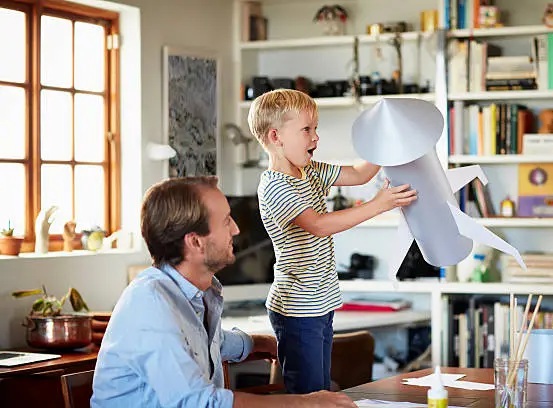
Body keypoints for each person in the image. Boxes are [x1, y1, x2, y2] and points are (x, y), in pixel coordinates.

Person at [91, 176, 357, 408]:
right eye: (226, 221)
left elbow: (210, 343)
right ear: (195, 241)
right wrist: (304, 404)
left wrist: (261, 343)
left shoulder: (197, 292)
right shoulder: (149, 302)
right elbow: (198, 403)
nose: (236, 230)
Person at [247, 89, 418, 394]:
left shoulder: (309, 171)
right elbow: (318, 225)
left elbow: (359, 174)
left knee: (319, 388)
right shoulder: (275, 186)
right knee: (310, 394)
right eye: (306, 130)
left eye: (316, 128)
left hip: (320, 300)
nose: (316, 138)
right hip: (298, 306)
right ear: (276, 137)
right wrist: (379, 205)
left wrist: (385, 142)